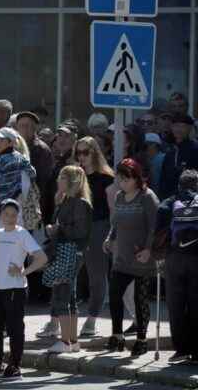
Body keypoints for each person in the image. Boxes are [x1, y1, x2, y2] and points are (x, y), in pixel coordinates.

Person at [0, 199, 48, 381]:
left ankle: (14, 365)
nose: (10, 218)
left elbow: (41, 258)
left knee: (15, 328)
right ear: (0, 215)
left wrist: (24, 271)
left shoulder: (22, 234)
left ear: (18, 217)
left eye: (14, 215)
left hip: (15, 288)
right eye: (6, 214)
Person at [104, 158, 159, 357]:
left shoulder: (147, 197)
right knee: (115, 294)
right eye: (120, 178)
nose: (122, 182)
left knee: (139, 299)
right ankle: (117, 335)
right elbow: (116, 223)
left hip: (142, 258)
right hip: (123, 257)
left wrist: (148, 250)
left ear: (136, 178)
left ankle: (142, 340)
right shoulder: (119, 196)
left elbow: (155, 226)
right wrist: (110, 238)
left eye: (126, 179)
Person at [44, 166, 93, 354]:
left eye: (62, 177)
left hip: (70, 251)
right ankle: (72, 341)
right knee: (69, 296)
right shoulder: (66, 200)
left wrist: (58, 229)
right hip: (66, 250)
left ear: (72, 181)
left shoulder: (80, 203)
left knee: (62, 295)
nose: (58, 180)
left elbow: (80, 232)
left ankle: (65, 341)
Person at [73, 137, 116, 338]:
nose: (81, 157)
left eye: (85, 152)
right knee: (65, 274)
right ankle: (58, 321)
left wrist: (111, 235)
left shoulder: (106, 178)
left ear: (94, 153)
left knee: (96, 276)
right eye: (78, 153)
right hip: (76, 229)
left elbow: (113, 211)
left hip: (99, 228)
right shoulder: (76, 176)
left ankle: (91, 319)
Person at [155, 169, 198, 364]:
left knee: (176, 304)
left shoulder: (170, 202)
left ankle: (181, 349)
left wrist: (157, 253)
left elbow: (159, 227)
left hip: (174, 259)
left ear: (179, 184)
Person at [0, 128, 36, 224]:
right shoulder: (20, 157)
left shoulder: (0, 160)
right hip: (15, 203)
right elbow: (32, 173)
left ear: (11, 143)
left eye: (2, 140)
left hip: (0, 207)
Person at [16, 111, 54, 225]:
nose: (24, 129)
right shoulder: (14, 147)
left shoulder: (42, 149)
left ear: (34, 128)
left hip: (34, 206)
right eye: (21, 126)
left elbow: (43, 181)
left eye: (28, 126)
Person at [161, 114, 198, 199]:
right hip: (170, 199)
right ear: (172, 127)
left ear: (189, 128)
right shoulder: (170, 151)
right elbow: (163, 178)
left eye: (183, 126)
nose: (179, 129)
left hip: (190, 200)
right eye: (176, 126)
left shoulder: (195, 149)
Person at [144, 132, 166, 199]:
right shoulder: (143, 159)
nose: (146, 146)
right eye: (145, 144)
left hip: (160, 195)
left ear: (156, 145)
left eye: (149, 144)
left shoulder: (164, 158)